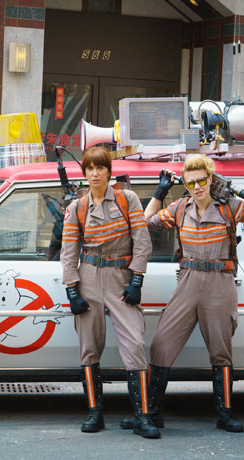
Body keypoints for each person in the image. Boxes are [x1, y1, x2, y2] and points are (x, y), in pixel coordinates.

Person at [135, 153, 244, 433]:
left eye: (201, 180)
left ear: (210, 178)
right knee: (162, 344)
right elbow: (145, 222)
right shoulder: (180, 208)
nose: (197, 187)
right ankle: (151, 412)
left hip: (219, 282)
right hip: (188, 280)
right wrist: (160, 193)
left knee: (221, 349)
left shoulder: (229, 207)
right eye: (190, 183)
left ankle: (225, 414)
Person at [60, 146, 160, 439]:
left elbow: (142, 241)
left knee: (135, 343)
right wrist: (72, 290)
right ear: (85, 172)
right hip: (89, 276)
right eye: (90, 168)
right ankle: (95, 413)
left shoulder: (127, 199)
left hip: (120, 277)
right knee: (89, 346)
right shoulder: (77, 207)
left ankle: (142, 416)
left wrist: (137, 279)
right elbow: (69, 251)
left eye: (100, 168)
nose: (95, 174)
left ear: (108, 172)